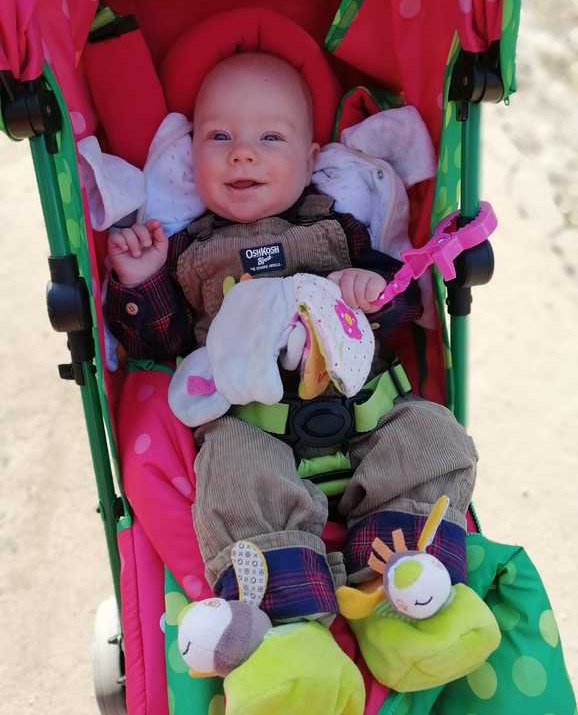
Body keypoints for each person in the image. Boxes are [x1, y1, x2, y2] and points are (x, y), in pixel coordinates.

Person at [105, 52, 499, 711]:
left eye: (270, 137)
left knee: (433, 436)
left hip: (366, 406)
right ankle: (288, 637)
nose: (242, 154)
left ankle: (407, 599)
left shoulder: (339, 228)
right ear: (190, 157)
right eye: (218, 136)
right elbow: (160, 347)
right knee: (232, 479)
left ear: (312, 157)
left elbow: (401, 298)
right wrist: (143, 283)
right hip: (252, 424)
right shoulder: (190, 251)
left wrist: (373, 291)